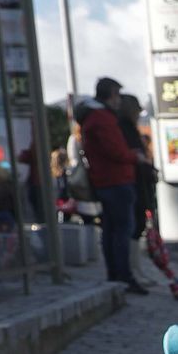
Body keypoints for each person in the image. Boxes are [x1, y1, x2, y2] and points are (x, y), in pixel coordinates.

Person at [73, 77, 146, 294]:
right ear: (111, 94)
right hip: (116, 180)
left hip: (107, 180)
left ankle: (117, 273)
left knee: (112, 229)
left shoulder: (94, 118)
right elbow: (115, 151)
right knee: (121, 229)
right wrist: (135, 156)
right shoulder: (102, 119)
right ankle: (123, 274)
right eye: (117, 96)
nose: (118, 102)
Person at [117, 94, 158, 285]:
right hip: (133, 184)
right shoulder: (124, 129)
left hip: (137, 183)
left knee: (136, 227)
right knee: (133, 227)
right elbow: (131, 156)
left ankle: (136, 270)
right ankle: (132, 271)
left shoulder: (127, 128)